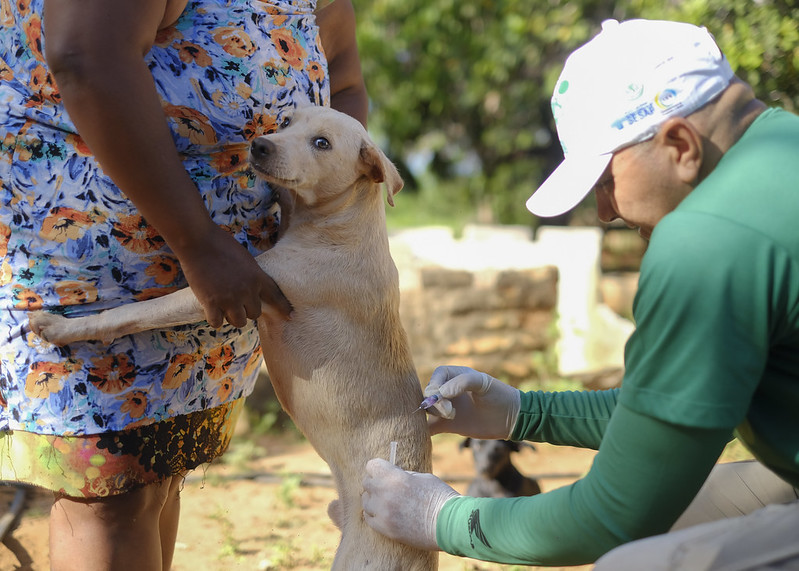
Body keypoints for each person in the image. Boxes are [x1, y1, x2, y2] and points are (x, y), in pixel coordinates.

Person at [361, 18, 799, 569]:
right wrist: (521, 412)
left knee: (629, 562)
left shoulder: (707, 239)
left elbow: (614, 515)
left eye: (605, 183)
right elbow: (667, 415)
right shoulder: (781, 144)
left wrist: (441, 518)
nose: (604, 212)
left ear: (680, 145)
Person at [0, 1, 366, 569]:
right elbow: (86, 56)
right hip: (106, 250)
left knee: (155, 474)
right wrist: (198, 243)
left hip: (232, 274)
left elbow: (341, 82)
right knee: (109, 494)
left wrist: (328, 227)